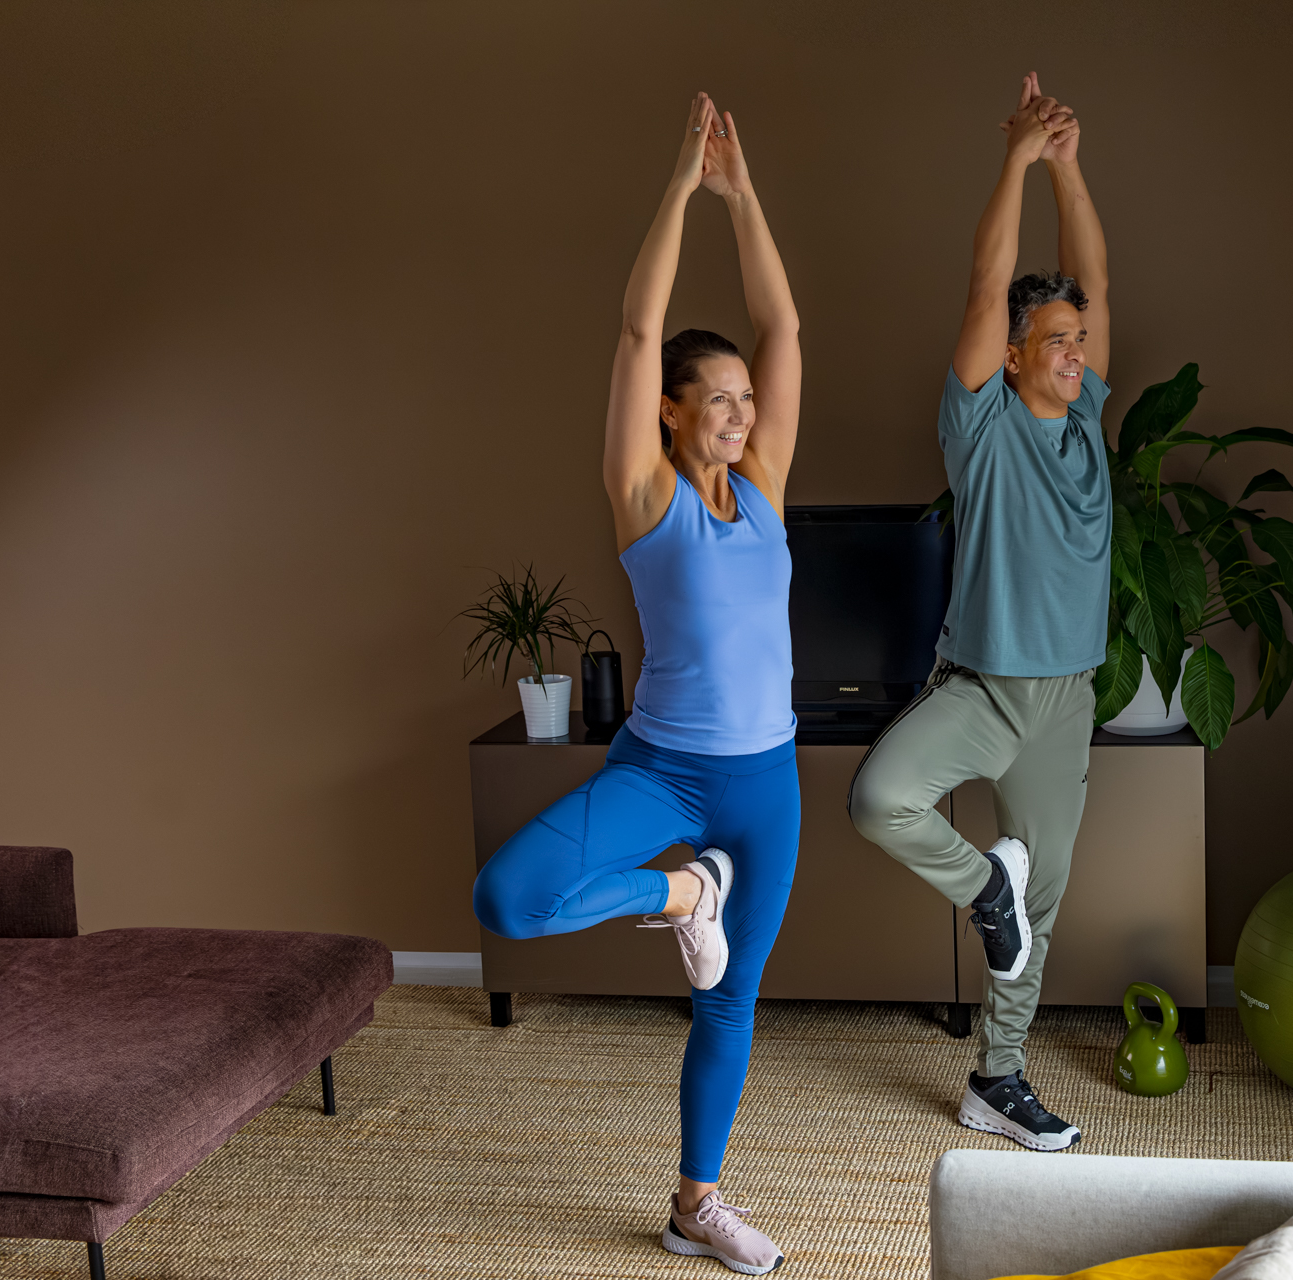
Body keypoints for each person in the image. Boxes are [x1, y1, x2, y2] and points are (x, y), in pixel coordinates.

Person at [473, 91, 799, 1276]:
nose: (740, 410)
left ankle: (694, 1202)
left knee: (731, 1003)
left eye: (744, 399)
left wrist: (742, 192)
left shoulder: (760, 482)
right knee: (509, 898)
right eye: (718, 396)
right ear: (671, 410)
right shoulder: (644, 496)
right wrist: (678, 185)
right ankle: (680, 901)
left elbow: (786, 327)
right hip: (664, 773)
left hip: (767, 784)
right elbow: (633, 328)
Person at [849, 72, 1110, 1154]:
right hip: (986, 688)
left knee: (1038, 905)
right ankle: (979, 889)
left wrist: (1070, 167)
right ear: (1007, 358)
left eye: (1075, 340)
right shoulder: (981, 427)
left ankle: (997, 1078)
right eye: (1052, 339)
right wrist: (1013, 157)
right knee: (879, 797)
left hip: (1066, 700)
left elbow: (1091, 275)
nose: (1073, 349)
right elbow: (983, 282)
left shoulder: (1088, 409)